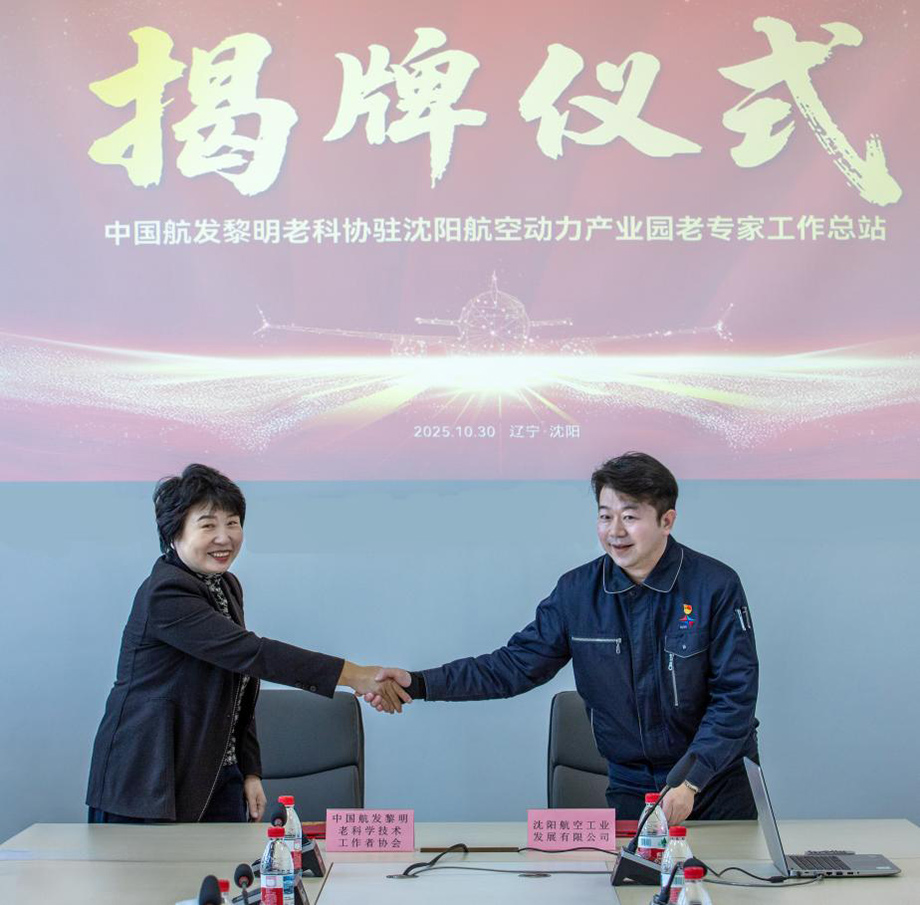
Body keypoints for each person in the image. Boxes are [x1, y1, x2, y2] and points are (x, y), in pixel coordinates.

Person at [369, 452, 760, 823]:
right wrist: (418, 683)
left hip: (714, 784)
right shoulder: (577, 592)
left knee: (730, 873)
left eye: (629, 517)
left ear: (667, 521)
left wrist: (691, 780)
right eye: (605, 516)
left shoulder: (715, 586)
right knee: (634, 875)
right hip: (632, 787)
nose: (615, 531)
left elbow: (735, 696)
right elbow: (512, 667)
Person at [86, 464, 409, 824]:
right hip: (149, 780)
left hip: (216, 773)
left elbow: (239, 681)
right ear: (174, 532)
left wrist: (250, 770)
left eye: (233, 523)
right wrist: (356, 675)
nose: (224, 537)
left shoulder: (225, 584)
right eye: (208, 525)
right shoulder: (166, 592)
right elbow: (254, 654)